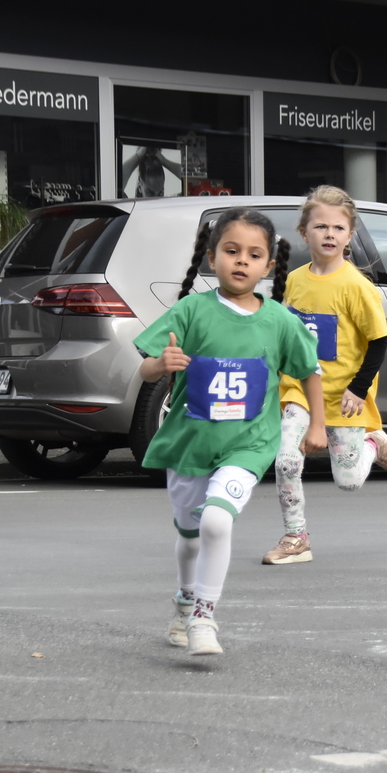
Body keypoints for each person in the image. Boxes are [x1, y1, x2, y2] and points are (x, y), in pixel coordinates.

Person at [133, 208, 324, 655]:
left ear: (268, 265)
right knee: (189, 537)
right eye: (231, 251)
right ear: (211, 257)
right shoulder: (192, 310)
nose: (241, 261)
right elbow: (144, 368)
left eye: (253, 254)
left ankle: (204, 616)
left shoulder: (279, 320)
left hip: (249, 445)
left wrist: (317, 424)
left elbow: (310, 370)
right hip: (192, 444)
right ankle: (184, 599)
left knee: (218, 521)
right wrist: (160, 365)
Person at [263, 185, 387, 566]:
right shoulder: (294, 281)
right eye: (320, 226)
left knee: (349, 481)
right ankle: (296, 536)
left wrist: (359, 389)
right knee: (287, 459)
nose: (329, 234)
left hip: (344, 397)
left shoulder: (357, 287)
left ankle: (373, 443)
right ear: (304, 232)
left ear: (349, 236)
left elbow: (378, 343)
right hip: (299, 392)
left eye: (338, 228)